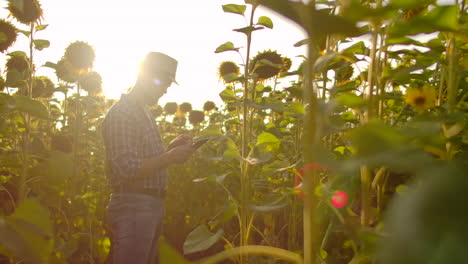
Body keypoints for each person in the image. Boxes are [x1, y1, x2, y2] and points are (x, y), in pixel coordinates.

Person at [102, 52, 194, 264]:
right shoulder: (123, 113)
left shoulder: (142, 110)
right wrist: (170, 158)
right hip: (134, 206)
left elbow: (143, 159)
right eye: (164, 82)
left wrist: (171, 148)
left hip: (148, 206)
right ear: (146, 75)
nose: (166, 89)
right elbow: (125, 168)